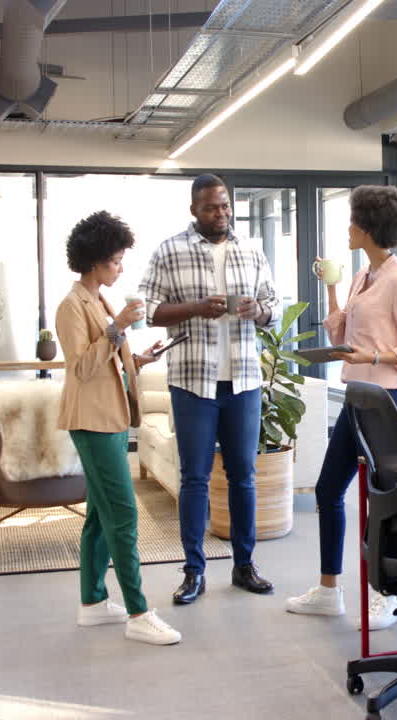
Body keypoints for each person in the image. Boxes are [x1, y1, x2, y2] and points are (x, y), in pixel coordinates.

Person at [285, 185, 397, 630]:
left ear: (367, 228)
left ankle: (390, 595)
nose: (347, 229)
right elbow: (340, 338)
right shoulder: (364, 276)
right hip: (357, 395)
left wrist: (371, 358)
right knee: (330, 490)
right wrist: (331, 292)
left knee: (386, 500)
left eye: (352, 222)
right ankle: (329, 591)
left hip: (390, 399)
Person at [139, 174, 281, 605]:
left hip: (243, 381)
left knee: (243, 477)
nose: (220, 214)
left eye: (224, 206)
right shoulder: (169, 250)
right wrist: (196, 308)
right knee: (195, 478)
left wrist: (259, 312)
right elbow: (150, 310)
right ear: (194, 210)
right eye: (210, 208)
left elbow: (273, 307)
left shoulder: (251, 250)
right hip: (193, 382)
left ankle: (244, 565)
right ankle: (193, 571)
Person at [55, 210, 180, 646]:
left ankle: (92, 602)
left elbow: (107, 358)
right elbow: (83, 367)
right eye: (115, 260)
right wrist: (120, 326)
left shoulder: (100, 300)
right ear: (94, 260)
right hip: (92, 420)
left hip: (107, 415)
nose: (120, 267)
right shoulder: (72, 306)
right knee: (124, 514)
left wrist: (140, 358)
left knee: (99, 514)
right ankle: (138, 612)